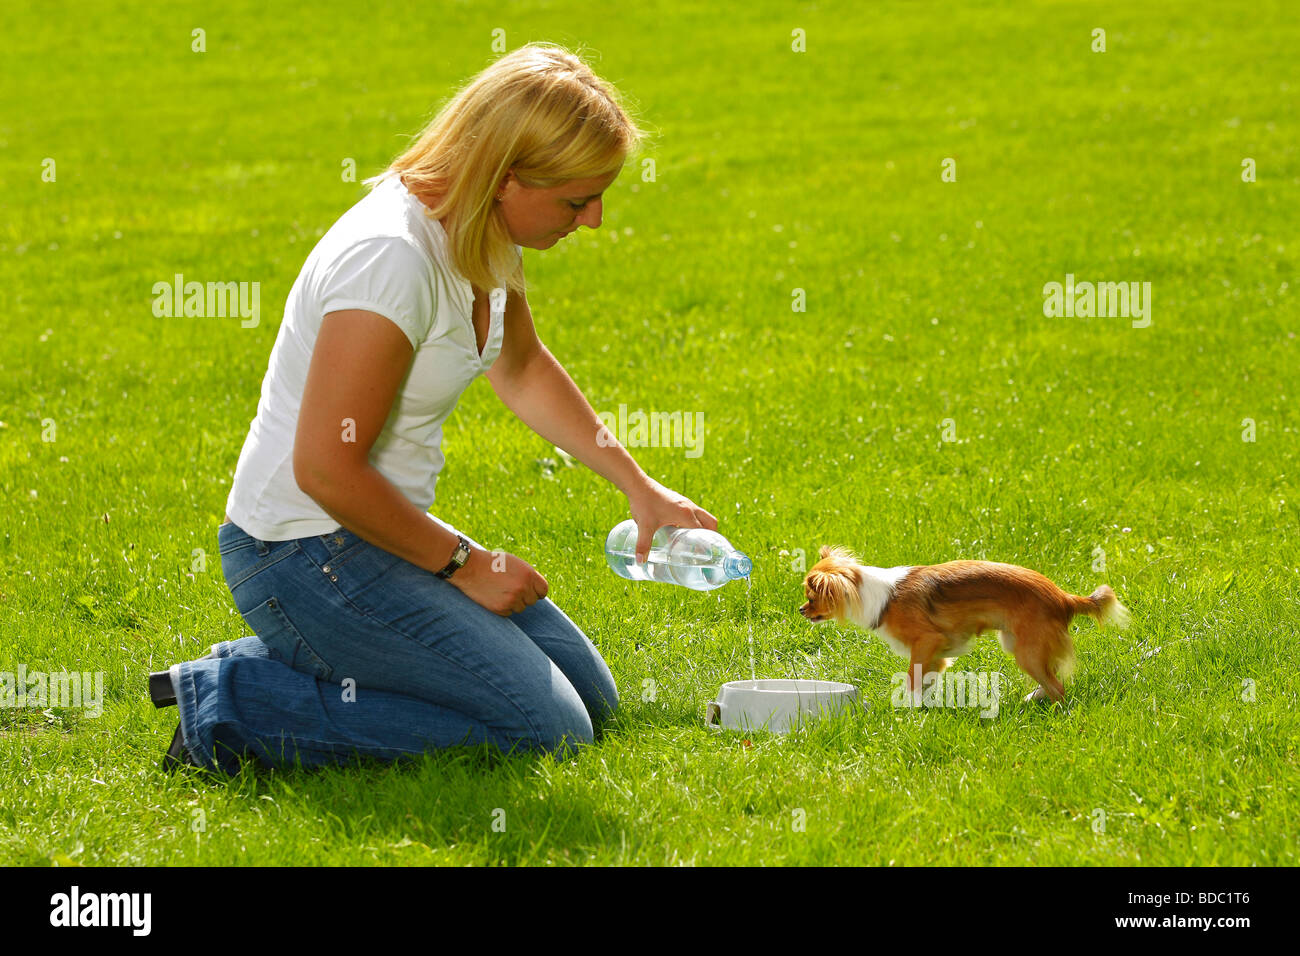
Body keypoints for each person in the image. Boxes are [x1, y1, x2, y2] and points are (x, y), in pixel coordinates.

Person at [152, 43, 717, 772]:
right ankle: (233, 700)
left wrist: (639, 487)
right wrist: (464, 565)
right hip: (302, 555)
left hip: (377, 537)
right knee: (549, 731)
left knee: (591, 700)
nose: (595, 220)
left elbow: (520, 366)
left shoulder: (483, 228)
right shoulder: (390, 261)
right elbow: (325, 468)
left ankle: (317, 664)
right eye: (578, 200)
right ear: (507, 178)